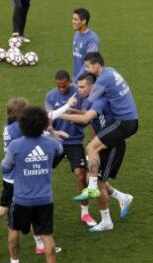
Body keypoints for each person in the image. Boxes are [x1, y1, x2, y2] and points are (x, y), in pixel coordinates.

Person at [0, 97, 73, 254]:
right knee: (6, 209)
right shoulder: (19, 128)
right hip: (17, 179)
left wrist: (52, 132)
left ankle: (39, 244)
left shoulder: (10, 126)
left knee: (20, 208)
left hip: (11, 176)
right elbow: (46, 119)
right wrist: (68, 106)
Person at [62, 74, 133, 231]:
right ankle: (123, 198)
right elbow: (87, 116)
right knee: (90, 178)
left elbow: (86, 119)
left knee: (98, 182)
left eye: (82, 87)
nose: (79, 90)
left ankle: (107, 221)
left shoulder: (99, 101)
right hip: (103, 144)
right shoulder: (90, 101)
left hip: (112, 146)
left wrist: (58, 114)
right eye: (78, 86)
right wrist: (72, 111)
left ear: (92, 87)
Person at [1, 106, 63, 263]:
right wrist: (51, 131)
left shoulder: (16, 145)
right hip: (45, 199)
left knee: (14, 231)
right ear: (43, 124)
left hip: (22, 199)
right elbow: (60, 148)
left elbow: (4, 167)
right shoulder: (50, 143)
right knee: (47, 235)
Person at [76, 52, 138, 200]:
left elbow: (88, 104)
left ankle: (92, 188)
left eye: (88, 66)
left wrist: (63, 110)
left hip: (124, 122)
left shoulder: (103, 79)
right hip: (128, 120)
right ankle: (117, 196)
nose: (86, 70)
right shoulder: (110, 70)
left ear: (97, 65)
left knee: (91, 148)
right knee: (93, 151)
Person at [45, 70, 96, 227]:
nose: (61, 89)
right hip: (56, 142)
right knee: (40, 171)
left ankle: (85, 213)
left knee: (80, 175)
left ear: (70, 82)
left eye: (64, 86)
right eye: (58, 86)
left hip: (74, 142)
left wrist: (80, 121)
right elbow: (47, 119)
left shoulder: (80, 93)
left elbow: (87, 118)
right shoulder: (50, 96)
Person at [72, 8, 99, 83]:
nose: (72, 22)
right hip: (76, 77)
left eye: (75, 19)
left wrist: (77, 79)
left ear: (84, 21)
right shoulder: (76, 34)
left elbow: (89, 63)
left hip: (86, 80)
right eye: (73, 19)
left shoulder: (92, 39)